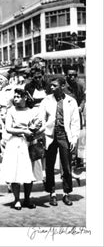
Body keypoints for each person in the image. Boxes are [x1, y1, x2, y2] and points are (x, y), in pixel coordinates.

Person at [0, 88, 44, 210]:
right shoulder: (11, 111)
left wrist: (35, 132)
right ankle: (17, 199)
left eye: (18, 96)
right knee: (15, 171)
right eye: (15, 97)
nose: (15, 99)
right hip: (16, 142)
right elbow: (8, 128)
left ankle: (27, 199)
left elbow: (41, 126)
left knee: (28, 171)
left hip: (29, 143)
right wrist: (23, 131)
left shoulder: (32, 111)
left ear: (25, 97)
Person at [39, 77, 80, 206]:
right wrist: (43, 132)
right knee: (50, 165)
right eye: (51, 85)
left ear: (62, 86)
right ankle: (52, 193)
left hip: (64, 135)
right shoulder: (46, 100)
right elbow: (41, 117)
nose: (51, 88)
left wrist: (74, 138)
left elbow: (75, 121)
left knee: (66, 166)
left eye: (55, 85)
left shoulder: (70, 101)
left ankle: (66, 193)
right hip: (50, 134)